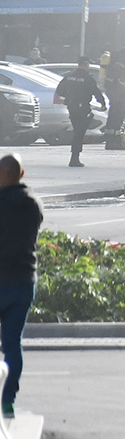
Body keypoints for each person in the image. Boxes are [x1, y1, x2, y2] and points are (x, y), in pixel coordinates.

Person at [0, 154, 37, 420]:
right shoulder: (33, 205)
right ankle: (8, 400)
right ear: (21, 174)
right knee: (13, 343)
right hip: (23, 281)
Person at [56, 59, 101, 169]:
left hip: (71, 106)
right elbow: (96, 92)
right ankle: (74, 157)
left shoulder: (69, 76)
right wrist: (102, 103)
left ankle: (74, 156)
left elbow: (59, 91)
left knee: (77, 130)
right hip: (82, 107)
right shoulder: (88, 78)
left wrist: (69, 96)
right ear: (86, 65)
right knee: (79, 132)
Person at [100, 46, 125, 146]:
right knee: (119, 115)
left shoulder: (116, 56)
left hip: (113, 91)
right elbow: (116, 73)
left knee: (113, 113)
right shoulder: (122, 59)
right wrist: (122, 83)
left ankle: (110, 139)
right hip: (118, 91)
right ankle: (115, 141)